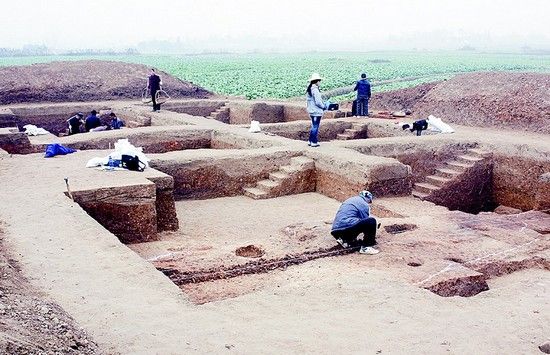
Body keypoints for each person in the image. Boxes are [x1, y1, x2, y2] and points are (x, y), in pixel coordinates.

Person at [331, 190, 380, 255]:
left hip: (336, 231)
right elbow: (365, 222)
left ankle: (344, 240)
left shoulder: (351, 200)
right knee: (371, 221)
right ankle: (366, 247)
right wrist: (372, 237)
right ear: (368, 199)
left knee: (355, 223)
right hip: (346, 228)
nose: (369, 203)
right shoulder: (364, 204)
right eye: (369, 201)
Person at [306, 73, 327, 147]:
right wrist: (323, 106)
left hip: (311, 111)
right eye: (319, 81)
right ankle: (314, 142)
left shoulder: (310, 89)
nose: (320, 82)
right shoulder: (315, 90)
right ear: (317, 81)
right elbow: (318, 102)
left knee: (313, 126)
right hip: (316, 111)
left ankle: (310, 140)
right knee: (315, 126)